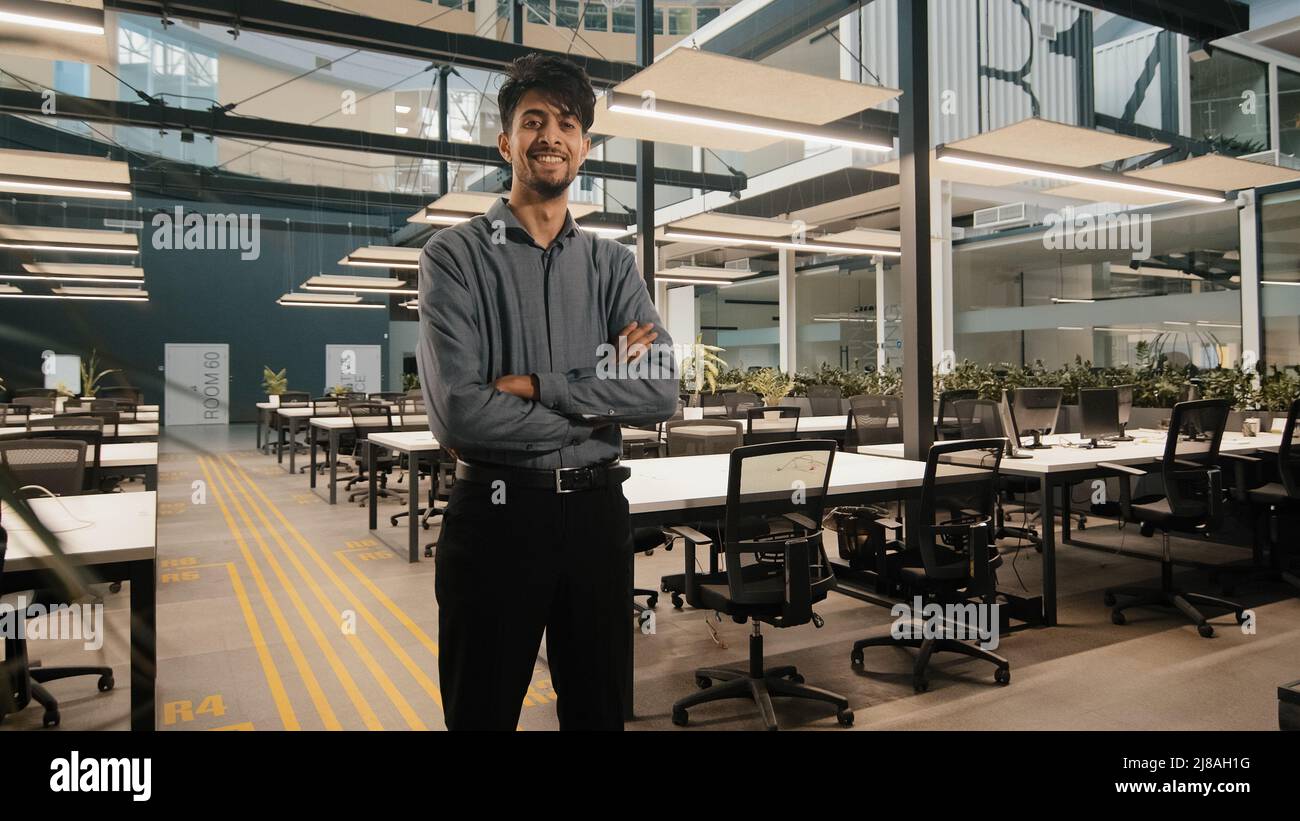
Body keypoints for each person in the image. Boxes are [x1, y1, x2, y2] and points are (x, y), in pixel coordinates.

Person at [416, 53, 678, 730]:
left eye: (567, 123)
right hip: (498, 515)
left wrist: (539, 387)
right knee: (481, 713)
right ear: (506, 142)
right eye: (533, 121)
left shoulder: (613, 265)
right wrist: (595, 408)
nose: (550, 136)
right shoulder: (453, 257)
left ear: (585, 146)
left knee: (601, 714)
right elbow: (464, 415)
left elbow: (661, 390)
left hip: (596, 520)